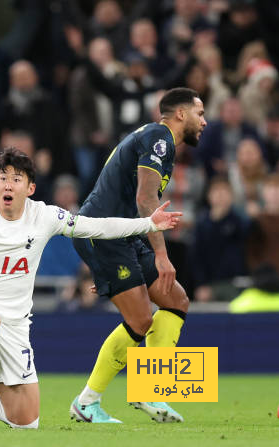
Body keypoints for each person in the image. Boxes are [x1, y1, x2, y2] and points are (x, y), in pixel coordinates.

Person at [0, 148, 181, 430]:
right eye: (3, 178)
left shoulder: (45, 216)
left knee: (26, 422)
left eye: (16, 179)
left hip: (14, 325)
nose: (8, 184)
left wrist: (148, 223)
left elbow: (95, 227)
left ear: (30, 188)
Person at [70, 87, 207, 423]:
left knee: (176, 300)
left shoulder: (156, 140)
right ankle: (87, 402)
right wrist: (161, 255)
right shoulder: (160, 138)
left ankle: (152, 393)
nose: (204, 121)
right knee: (141, 319)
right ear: (180, 114)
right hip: (103, 234)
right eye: (199, 113)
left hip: (122, 236)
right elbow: (146, 201)